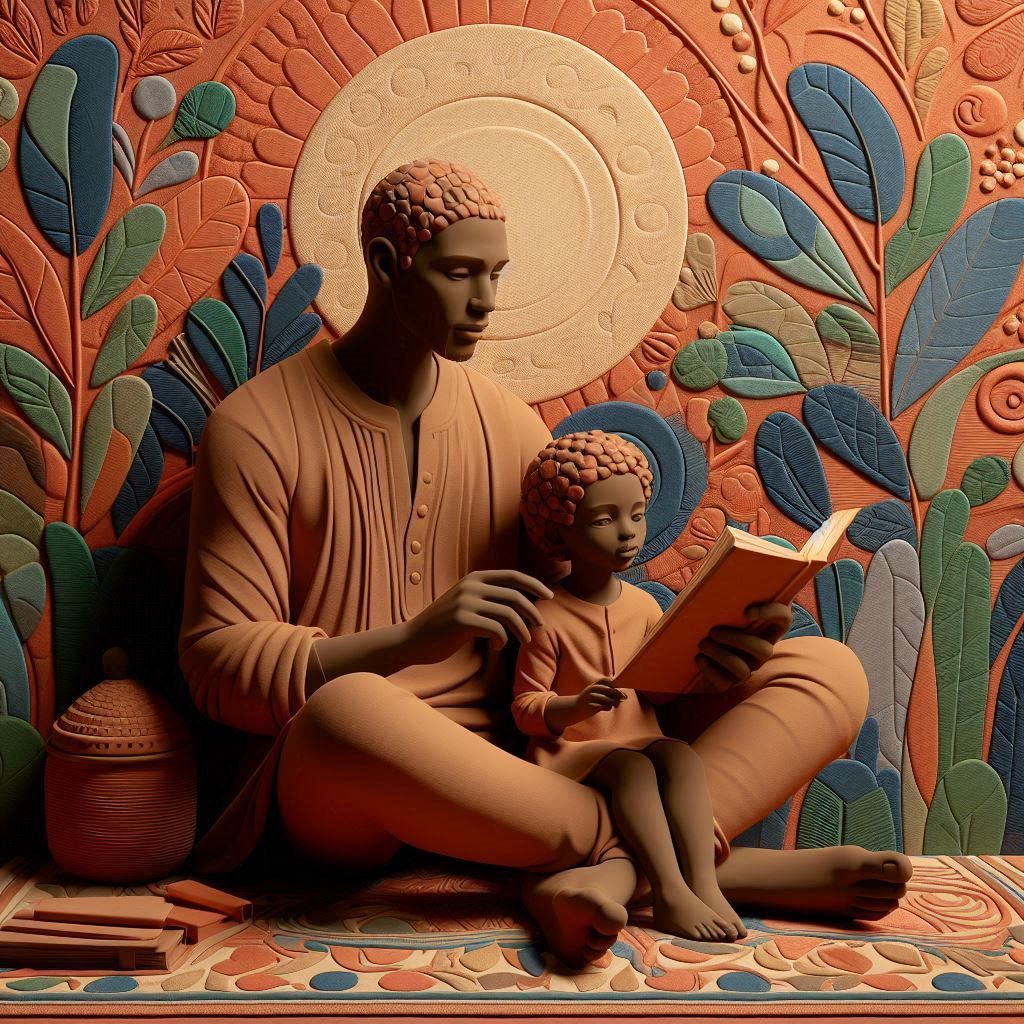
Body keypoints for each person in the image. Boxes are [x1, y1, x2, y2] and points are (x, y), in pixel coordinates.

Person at [179, 157, 912, 969]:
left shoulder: (511, 429)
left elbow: (576, 630)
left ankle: (618, 872)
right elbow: (216, 666)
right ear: (386, 265)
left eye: (496, 273)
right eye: (459, 273)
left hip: (524, 761)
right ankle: (703, 867)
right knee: (353, 710)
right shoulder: (255, 428)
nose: (486, 301)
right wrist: (405, 644)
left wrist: (710, 659)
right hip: (351, 784)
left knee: (826, 672)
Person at [513, 429, 747, 942]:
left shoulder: (644, 607)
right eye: (604, 520)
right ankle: (668, 891)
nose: (627, 533)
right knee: (633, 768)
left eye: (636, 515)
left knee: (678, 755)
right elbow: (526, 707)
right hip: (573, 753)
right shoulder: (546, 617)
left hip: (638, 737)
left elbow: (658, 691)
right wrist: (572, 706)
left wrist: (687, 669)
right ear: (560, 533)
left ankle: (703, 883)